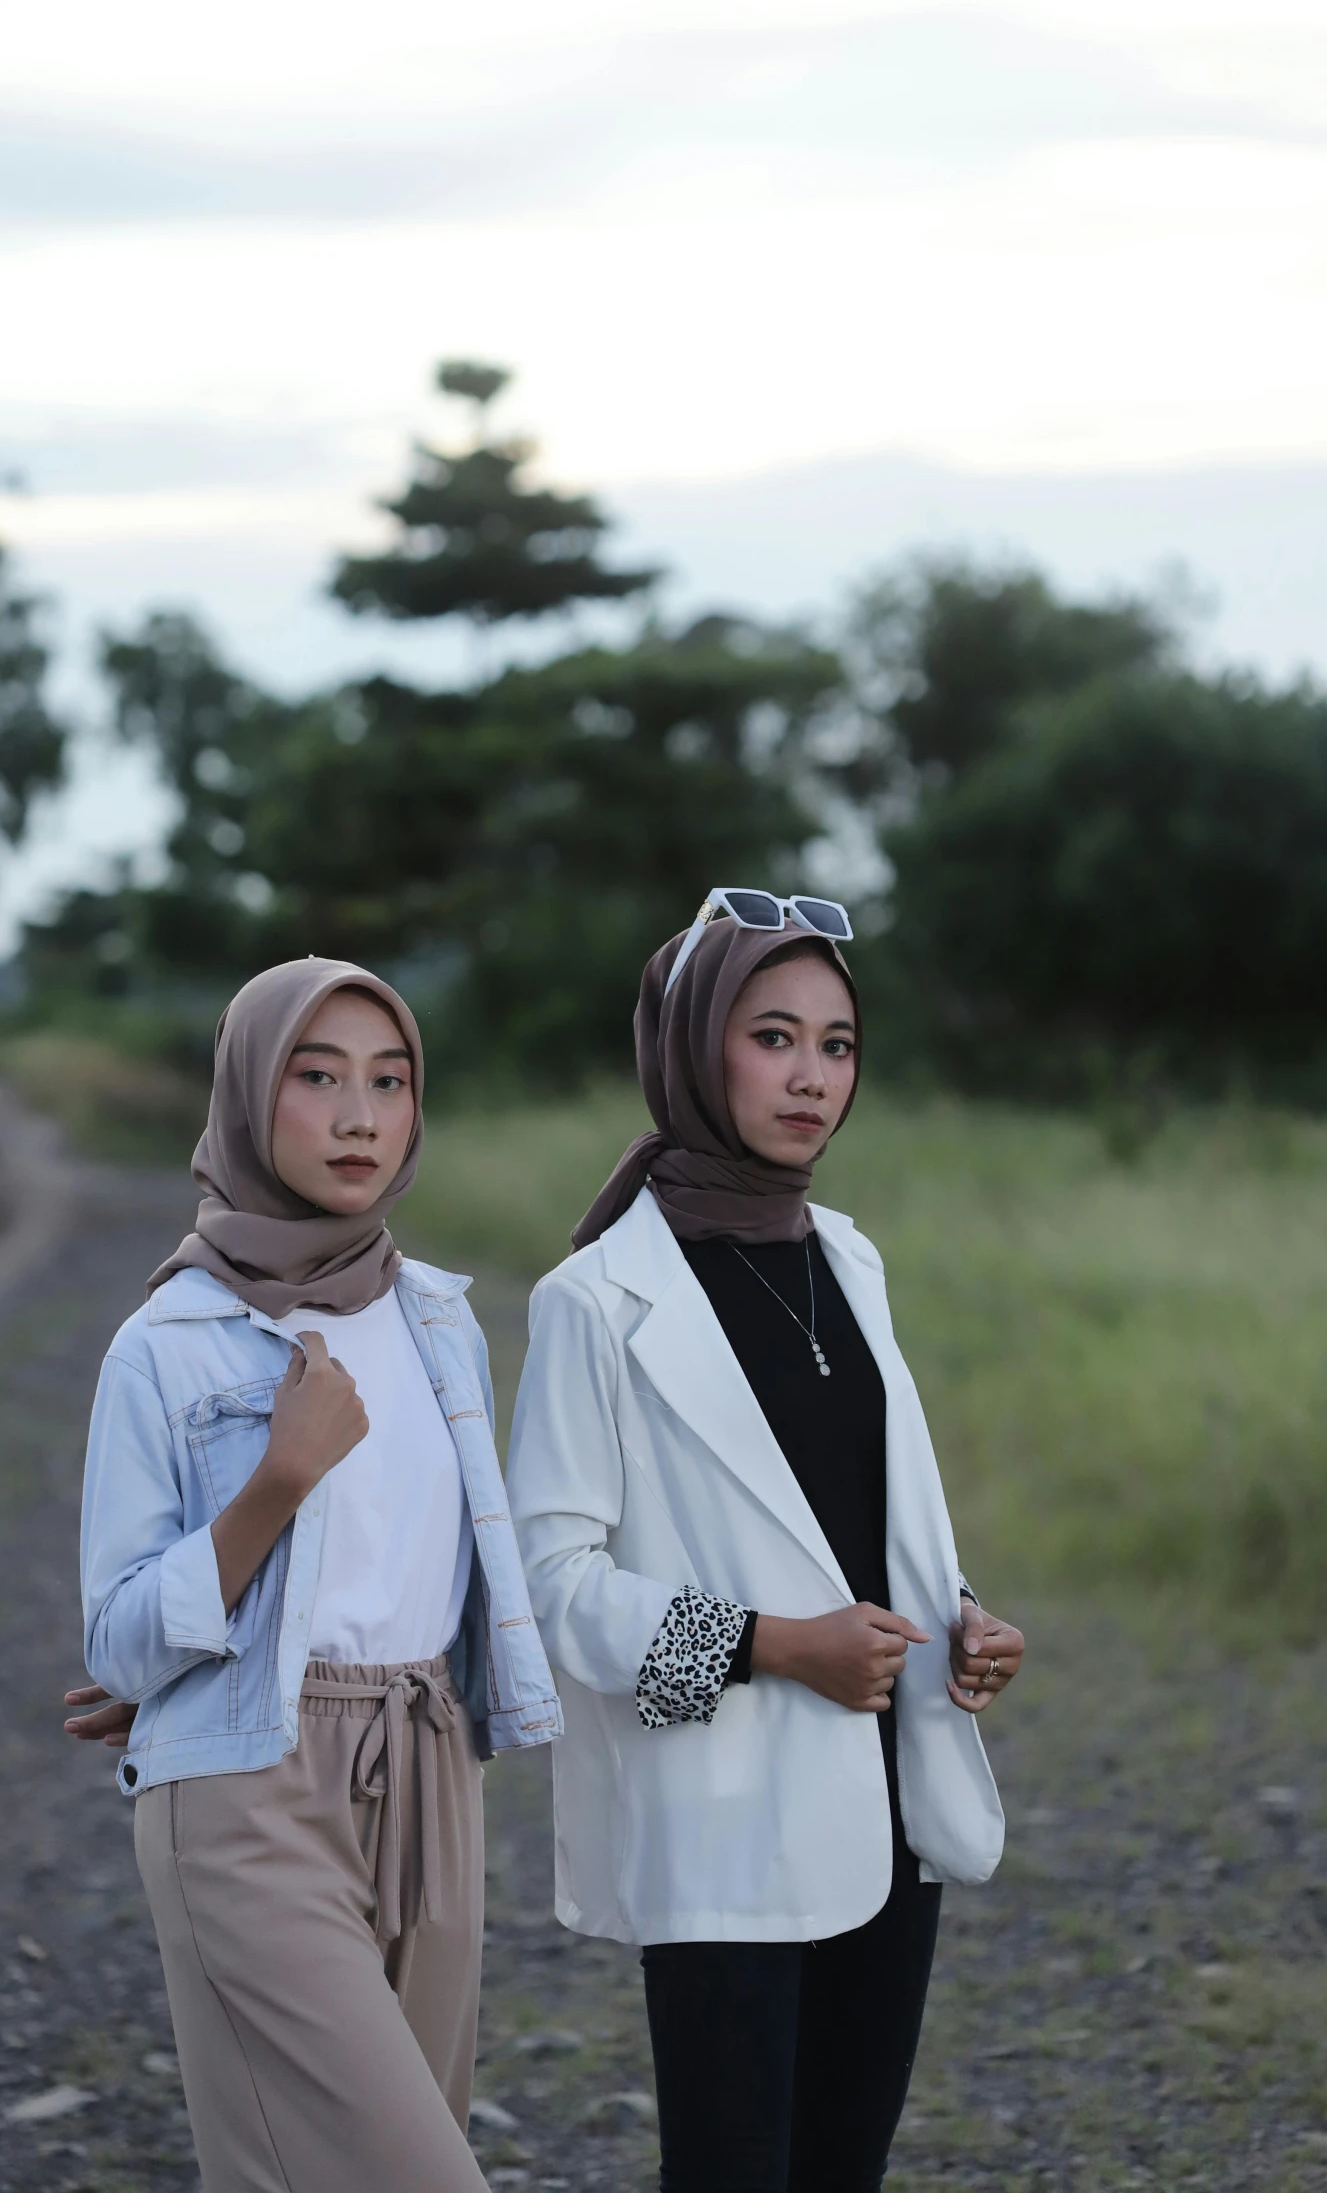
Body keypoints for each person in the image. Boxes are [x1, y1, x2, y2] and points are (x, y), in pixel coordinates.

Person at [505, 895, 1024, 2193]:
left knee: (843, 2165)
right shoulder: (591, 1299)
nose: (809, 1076)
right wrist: (774, 1647)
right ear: (692, 1047)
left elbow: (859, 1510)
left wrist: (956, 1613)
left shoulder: (846, 1257)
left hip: (887, 1793)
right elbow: (549, 1585)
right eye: (773, 1035)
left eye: (835, 1044)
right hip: (724, 1812)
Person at [70, 957, 561, 2193]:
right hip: (248, 1792)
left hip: (429, 1764)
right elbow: (119, 1637)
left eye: (389, 1082)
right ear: (245, 1094)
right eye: (318, 1075)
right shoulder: (165, 1344)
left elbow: (448, 1567)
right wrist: (274, 1487)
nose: (359, 1116)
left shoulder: (441, 1318)